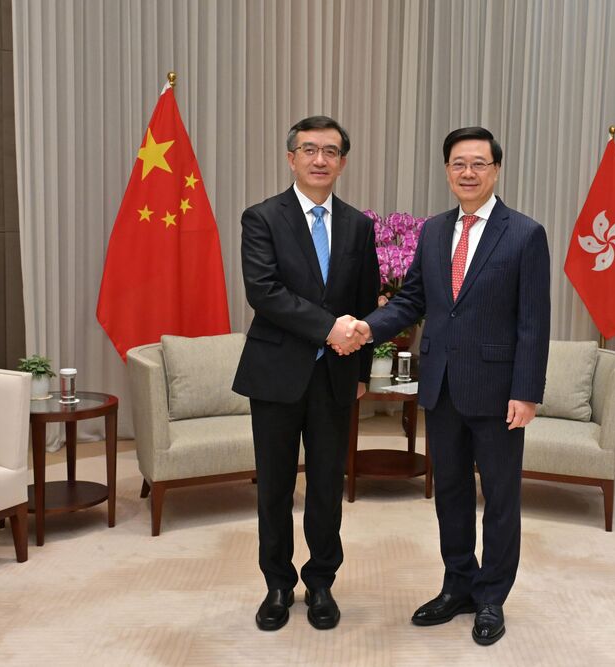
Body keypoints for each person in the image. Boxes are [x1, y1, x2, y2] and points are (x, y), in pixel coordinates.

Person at [345, 127, 550, 646]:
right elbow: (412, 300)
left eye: (479, 163)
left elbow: (533, 323)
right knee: (450, 495)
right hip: (441, 387)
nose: (468, 172)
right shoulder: (434, 231)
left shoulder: (525, 234)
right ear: (446, 171)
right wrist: (369, 328)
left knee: (500, 499)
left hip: (499, 390)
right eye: (459, 163)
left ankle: (491, 598)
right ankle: (457, 584)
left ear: (496, 170)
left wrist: (526, 392)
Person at [233, 116, 379, 631]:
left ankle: (320, 582)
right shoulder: (262, 218)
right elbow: (264, 292)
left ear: (342, 161)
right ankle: (277, 583)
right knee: (273, 485)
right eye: (309, 149)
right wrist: (328, 329)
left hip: (336, 376)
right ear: (291, 157)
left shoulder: (360, 225)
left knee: (325, 486)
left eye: (331, 151)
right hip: (275, 374)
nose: (320, 159)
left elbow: (364, 300)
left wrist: (359, 363)